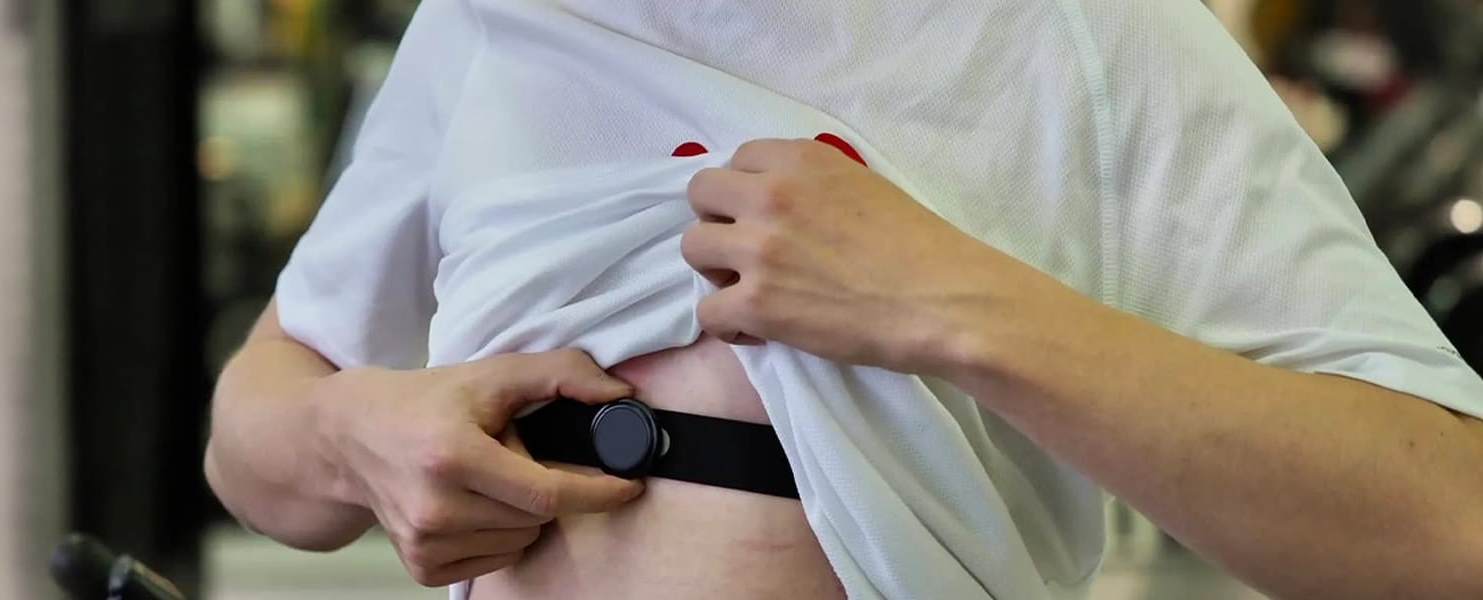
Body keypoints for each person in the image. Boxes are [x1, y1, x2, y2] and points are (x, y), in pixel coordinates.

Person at [204, 0, 1483, 598]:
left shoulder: (1089, 39)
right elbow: (253, 433)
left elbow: (1449, 526)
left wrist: (954, 308)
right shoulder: (492, 25)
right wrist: (350, 440)